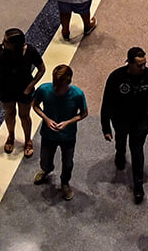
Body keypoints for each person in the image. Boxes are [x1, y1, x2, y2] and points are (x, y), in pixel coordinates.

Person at [102, 46, 148, 204]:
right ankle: (120, 154)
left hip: (140, 121)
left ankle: (138, 184)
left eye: (144, 64)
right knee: (121, 142)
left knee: (137, 151)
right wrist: (106, 127)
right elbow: (107, 103)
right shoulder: (116, 77)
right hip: (120, 120)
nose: (143, 67)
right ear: (129, 63)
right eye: (139, 65)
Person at [32, 63, 89, 199]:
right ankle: (46, 170)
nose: (56, 87)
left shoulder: (77, 95)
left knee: (68, 162)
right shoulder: (44, 90)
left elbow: (84, 113)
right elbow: (35, 106)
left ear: (68, 82)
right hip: (48, 134)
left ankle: (65, 182)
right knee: (45, 160)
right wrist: (46, 119)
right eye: (54, 83)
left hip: (67, 136)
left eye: (60, 85)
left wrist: (68, 122)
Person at [0, 28, 46, 158]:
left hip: (24, 89)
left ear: (16, 44)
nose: (2, 42)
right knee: (9, 113)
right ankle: (11, 136)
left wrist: (31, 85)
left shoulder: (30, 52)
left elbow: (42, 69)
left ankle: (28, 140)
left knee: (24, 115)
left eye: (6, 41)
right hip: (5, 88)